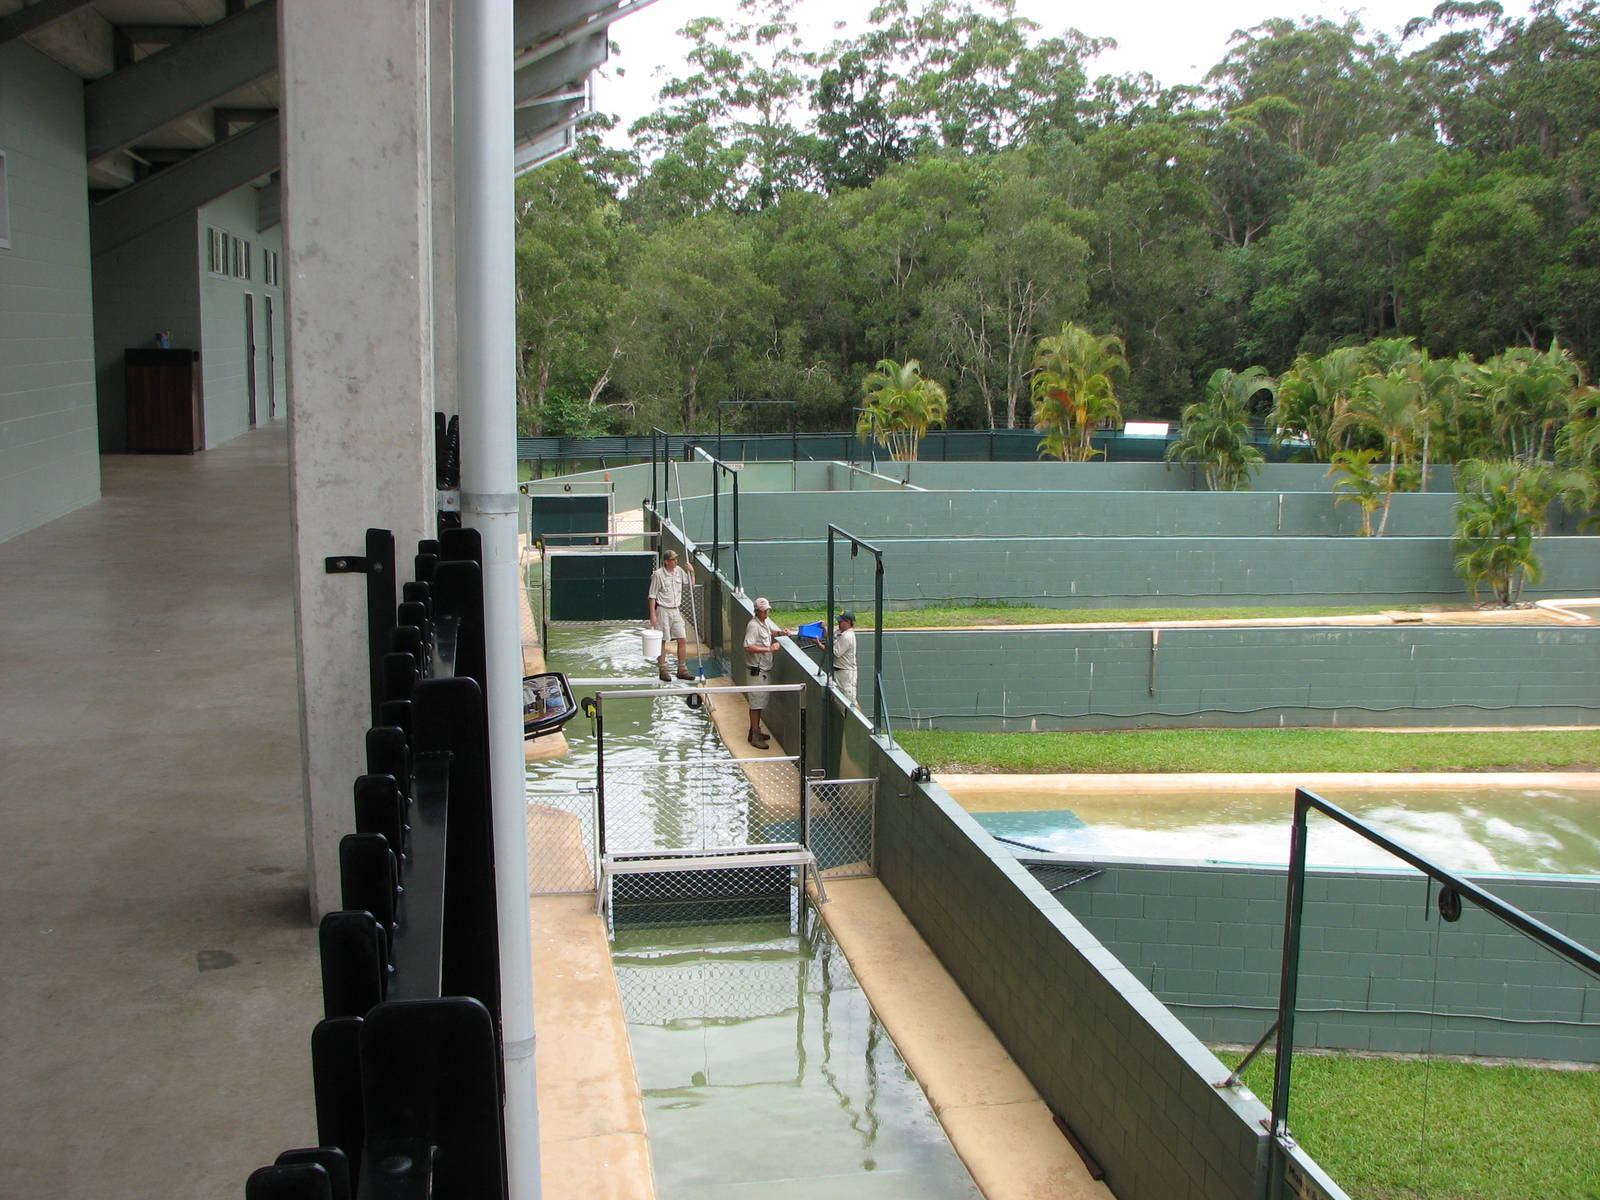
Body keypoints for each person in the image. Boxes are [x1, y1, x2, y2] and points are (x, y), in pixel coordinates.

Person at [742, 597, 788, 747]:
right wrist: (769, 648)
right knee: (756, 704)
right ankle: (755, 735)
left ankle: (754, 730)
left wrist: (780, 633)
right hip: (757, 670)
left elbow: (769, 632)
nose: (766, 612)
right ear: (757, 611)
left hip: (763, 670)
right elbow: (747, 646)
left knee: (760, 702)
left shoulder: (764, 622)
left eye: (767, 610)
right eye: (764, 611)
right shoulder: (753, 626)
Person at [647, 549, 695, 682]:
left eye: (676, 559)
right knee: (662, 640)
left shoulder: (679, 571)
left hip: (676, 610)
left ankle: (682, 669)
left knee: (682, 639)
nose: (675, 561)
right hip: (663, 610)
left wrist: (692, 572)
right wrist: (653, 615)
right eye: (673, 559)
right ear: (666, 562)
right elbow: (652, 595)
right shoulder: (658, 575)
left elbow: (690, 585)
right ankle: (663, 669)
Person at [832, 611, 858, 707]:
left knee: (851, 703)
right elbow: (830, 633)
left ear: (847, 622)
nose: (838, 623)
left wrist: (819, 644)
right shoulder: (841, 631)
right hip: (839, 671)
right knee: (841, 702)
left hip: (847, 673)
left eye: (840, 621)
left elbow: (835, 653)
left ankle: (860, 717)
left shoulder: (848, 636)